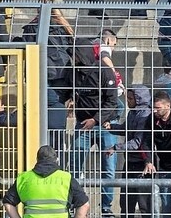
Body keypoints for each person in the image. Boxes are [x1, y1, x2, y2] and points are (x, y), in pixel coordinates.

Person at [69, 39, 120, 217]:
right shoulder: (74, 72)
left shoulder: (104, 71)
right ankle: (75, 204)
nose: (72, 58)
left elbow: (112, 102)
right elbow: (70, 90)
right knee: (75, 166)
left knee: (108, 167)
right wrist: (71, 100)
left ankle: (106, 208)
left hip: (105, 126)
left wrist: (96, 119)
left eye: (75, 55)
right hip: (82, 125)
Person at [103, 85, 152, 217]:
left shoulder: (145, 115)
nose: (128, 101)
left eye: (131, 98)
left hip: (142, 164)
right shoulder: (132, 112)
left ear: (139, 99)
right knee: (126, 202)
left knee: (144, 203)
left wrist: (115, 147)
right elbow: (126, 128)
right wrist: (111, 127)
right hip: (130, 162)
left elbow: (137, 142)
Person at [3, 145, 90, 218]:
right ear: (56, 159)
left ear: (37, 159)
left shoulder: (24, 178)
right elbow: (84, 205)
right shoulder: (66, 178)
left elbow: (8, 203)